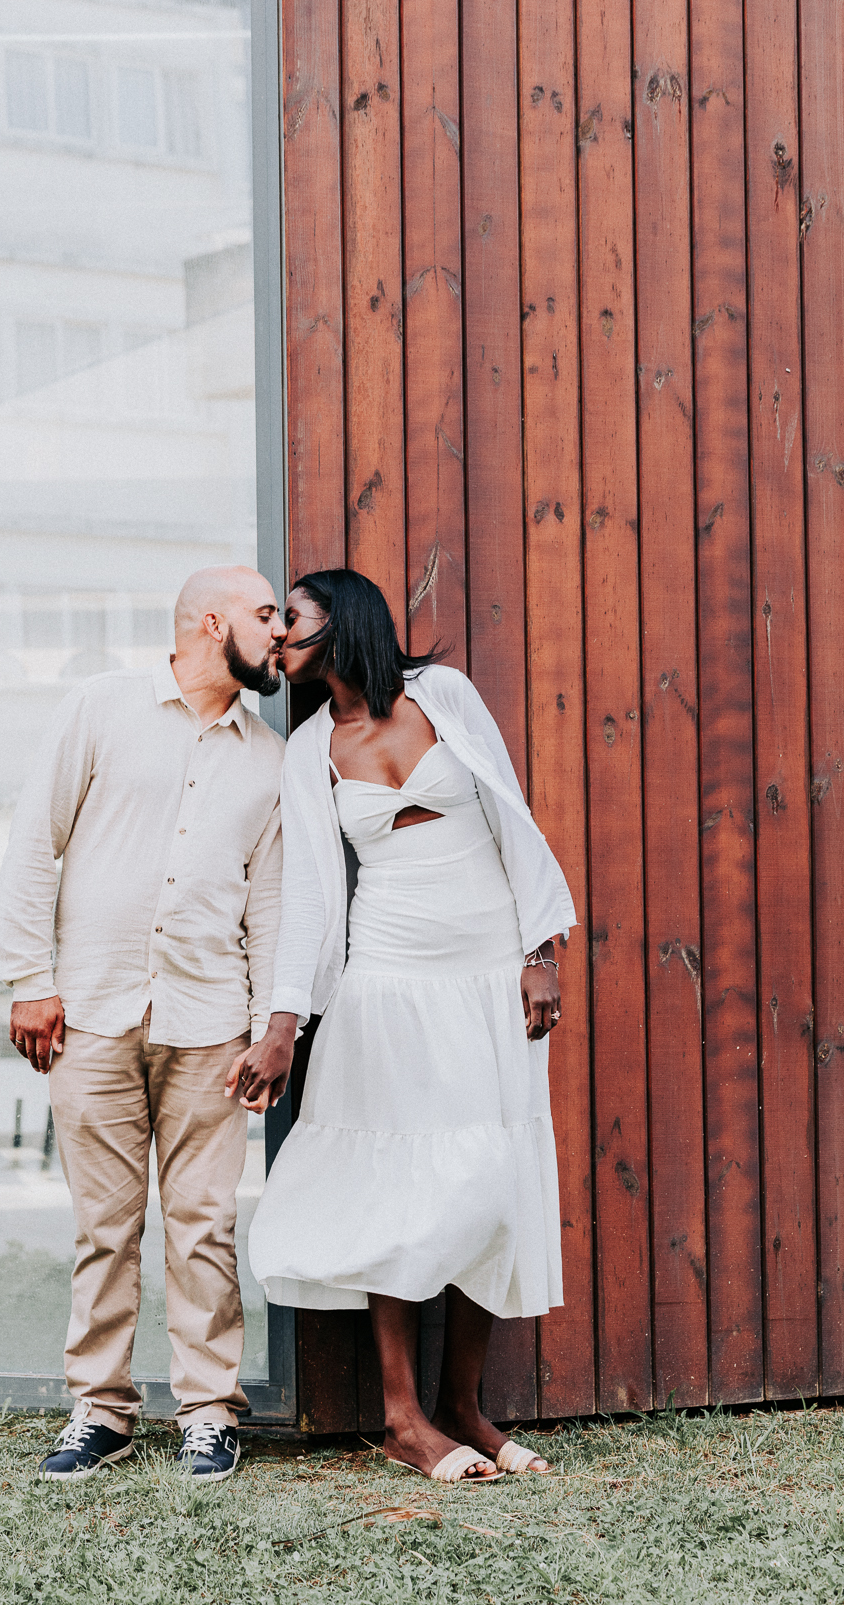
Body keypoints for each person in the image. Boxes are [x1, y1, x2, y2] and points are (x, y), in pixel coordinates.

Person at [232, 570, 576, 1483]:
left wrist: (542, 950)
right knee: (397, 1178)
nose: (277, 641)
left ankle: (463, 1404)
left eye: (290, 622)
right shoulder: (308, 749)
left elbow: (511, 815)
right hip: (385, 977)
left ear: (340, 621)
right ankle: (402, 1415)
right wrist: (282, 1026)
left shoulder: (443, 695)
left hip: (486, 973)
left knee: (489, 1179)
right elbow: (308, 895)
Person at [0, 566, 286, 1482]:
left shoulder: (270, 758)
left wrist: (269, 1024)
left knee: (204, 1226)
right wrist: (28, 978)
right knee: (104, 1226)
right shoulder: (102, 707)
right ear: (212, 621)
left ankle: (208, 1411)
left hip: (210, 1024)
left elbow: (271, 907)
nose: (281, 631)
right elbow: (32, 844)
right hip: (90, 1008)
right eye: (266, 614)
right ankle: (102, 1410)